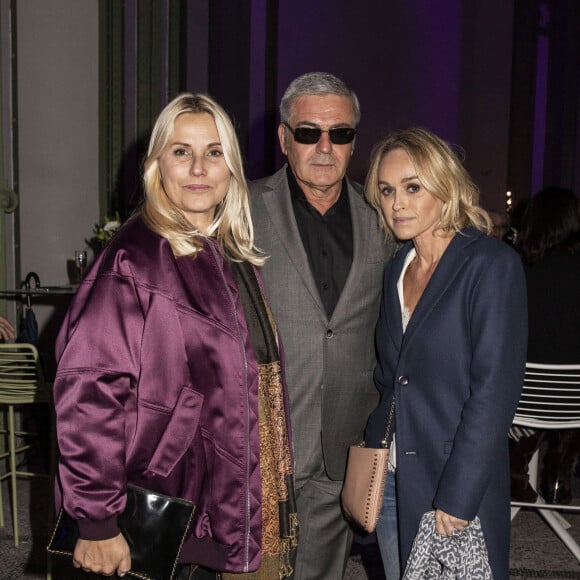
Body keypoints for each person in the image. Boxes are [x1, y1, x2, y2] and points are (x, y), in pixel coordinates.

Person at [53, 93, 298, 579]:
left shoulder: (230, 251)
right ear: (156, 165)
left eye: (214, 151)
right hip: (171, 502)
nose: (199, 168)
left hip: (232, 495)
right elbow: (88, 390)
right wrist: (96, 520)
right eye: (181, 151)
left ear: (232, 165)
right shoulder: (137, 258)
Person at [363, 127, 527, 579]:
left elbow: (494, 391)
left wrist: (458, 495)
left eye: (413, 187)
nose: (397, 203)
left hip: (452, 477)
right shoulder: (397, 267)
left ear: (446, 185)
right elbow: (390, 375)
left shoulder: (490, 265)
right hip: (393, 475)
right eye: (387, 190)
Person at [250, 72, 395, 579]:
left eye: (342, 133)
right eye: (309, 132)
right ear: (284, 138)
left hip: (343, 436)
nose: (325, 146)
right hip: (259, 433)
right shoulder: (239, 207)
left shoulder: (383, 215)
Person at [509, 187, 580, 504]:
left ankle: (514, 470)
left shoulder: (510, 269)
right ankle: (560, 473)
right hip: (574, 405)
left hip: (520, 404)